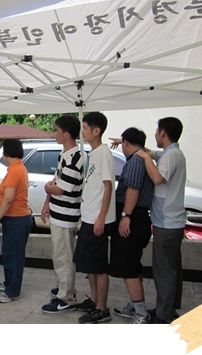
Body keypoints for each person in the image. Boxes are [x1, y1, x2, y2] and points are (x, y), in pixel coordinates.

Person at [134, 117, 186, 324]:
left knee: (164, 271)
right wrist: (132, 144)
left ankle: (164, 316)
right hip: (169, 222)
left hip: (167, 223)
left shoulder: (172, 155)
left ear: (163, 133)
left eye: (156, 131)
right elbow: (152, 153)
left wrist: (146, 158)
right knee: (171, 269)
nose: (155, 134)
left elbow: (157, 178)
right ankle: (168, 308)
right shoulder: (169, 153)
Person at [109, 128, 155, 324]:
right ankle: (135, 306)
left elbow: (133, 189)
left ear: (127, 143)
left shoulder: (136, 161)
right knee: (133, 264)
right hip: (137, 215)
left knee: (128, 265)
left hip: (133, 216)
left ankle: (141, 313)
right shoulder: (143, 156)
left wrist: (125, 215)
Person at [73, 112, 116, 323]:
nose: (82, 132)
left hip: (98, 220)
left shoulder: (104, 154)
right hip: (89, 218)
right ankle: (94, 300)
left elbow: (108, 187)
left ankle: (102, 309)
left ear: (96, 131)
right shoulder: (95, 153)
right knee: (89, 264)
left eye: (85, 127)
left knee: (98, 266)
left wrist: (101, 218)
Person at [41, 115, 84, 313]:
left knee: (64, 257)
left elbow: (59, 188)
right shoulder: (64, 154)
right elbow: (56, 182)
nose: (54, 133)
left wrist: (47, 188)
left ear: (66, 134)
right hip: (58, 213)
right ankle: (63, 287)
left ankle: (66, 297)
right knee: (58, 254)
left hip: (66, 215)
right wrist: (47, 203)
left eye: (57, 130)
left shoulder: (76, 157)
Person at [0, 139, 33, 303]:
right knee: (11, 254)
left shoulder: (15, 171)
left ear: (6, 153)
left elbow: (8, 198)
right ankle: (9, 283)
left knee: (13, 256)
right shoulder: (17, 168)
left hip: (16, 218)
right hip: (17, 218)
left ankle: (12, 291)